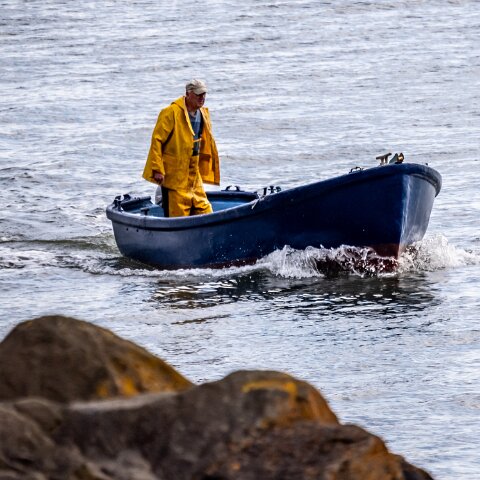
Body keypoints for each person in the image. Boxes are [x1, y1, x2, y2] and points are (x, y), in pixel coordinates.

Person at [143, 79, 220, 217]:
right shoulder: (171, 112)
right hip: (174, 175)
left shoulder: (203, 113)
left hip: (193, 174)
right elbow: (157, 141)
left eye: (204, 95)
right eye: (198, 95)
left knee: (205, 210)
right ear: (188, 94)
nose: (202, 98)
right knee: (178, 214)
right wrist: (157, 169)